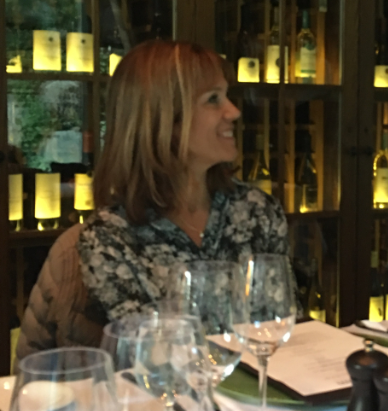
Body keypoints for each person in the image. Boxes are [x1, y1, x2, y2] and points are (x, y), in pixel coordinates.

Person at [16, 39, 291, 363]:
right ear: (163, 119)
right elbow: (159, 361)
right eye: (213, 99)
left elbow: (281, 336)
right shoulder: (110, 237)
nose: (234, 111)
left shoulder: (259, 211)